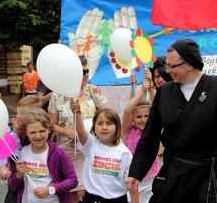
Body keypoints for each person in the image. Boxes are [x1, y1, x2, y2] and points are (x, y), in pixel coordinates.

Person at [127, 39, 217, 202]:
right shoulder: (165, 92)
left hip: (209, 173)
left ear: (189, 64)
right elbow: (150, 137)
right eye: (166, 66)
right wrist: (136, 172)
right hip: (176, 171)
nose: (167, 71)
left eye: (171, 66)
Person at [48, 55, 110, 203]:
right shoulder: (57, 96)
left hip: (91, 149)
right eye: (82, 72)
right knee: (72, 192)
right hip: (68, 151)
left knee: (85, 190)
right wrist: (67, 132)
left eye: (87, 71)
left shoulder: (94, 90)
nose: (86, 75)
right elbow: (51, 125)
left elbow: (108, 116)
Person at [70, 105, 139, 203]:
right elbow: (80, 131)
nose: (104, 127)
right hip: (91, 199)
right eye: (100, 123)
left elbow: (132, 184)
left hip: (118, 199)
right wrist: (76, 112)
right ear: (94, 127)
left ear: (117, 127)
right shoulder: (90, 145)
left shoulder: (124, 153)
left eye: (109, 123)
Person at [8, 107, 78, 203]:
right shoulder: (20, 152)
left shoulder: (58, 153)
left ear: (49, 129)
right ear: (26, 132)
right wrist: (18, 175)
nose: (37, 136)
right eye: (33, 132)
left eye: (41, 131)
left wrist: (50, 189)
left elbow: (73, 180)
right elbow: (13, 186)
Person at [122, 78, 158, 202]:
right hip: (132, 180)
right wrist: (142, 90)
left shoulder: (153, 130)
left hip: (151, 180)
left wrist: (151, 89)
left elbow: (159, 105)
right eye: (138, 116)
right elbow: (127, 111)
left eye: (147, 116)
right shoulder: (126, 132)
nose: (143, 119)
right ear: (132, 118)